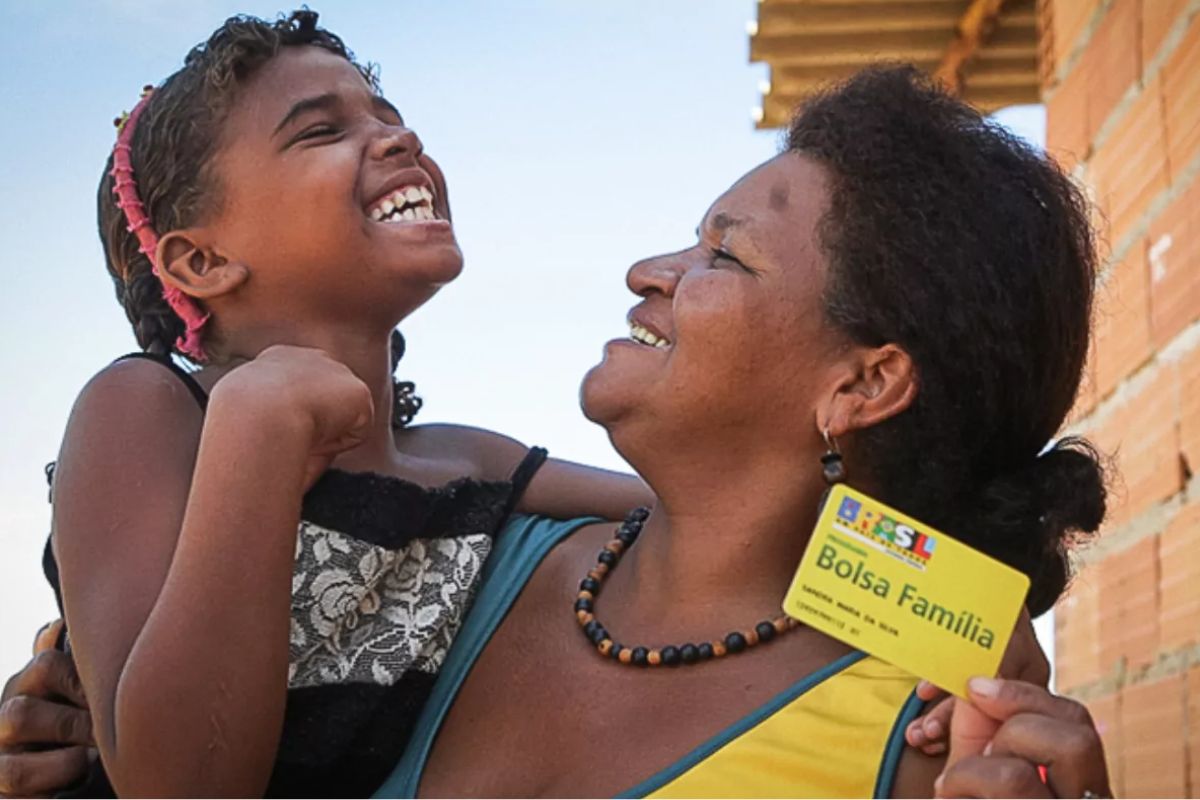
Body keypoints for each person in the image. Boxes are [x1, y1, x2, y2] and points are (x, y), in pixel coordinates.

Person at [0, 36, 1111, 800]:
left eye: (722, 252)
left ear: (863, 385)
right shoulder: (475, 557)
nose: (647, 269)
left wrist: (969, 617)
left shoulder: (919, 745)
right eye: (318, 127)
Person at [8, 10, 650, 798]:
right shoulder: (150, 409)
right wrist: (256, 437)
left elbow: (709, 518)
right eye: (320, 132)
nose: (400, 139)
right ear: (202, 259)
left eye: (391, 117)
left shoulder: (468, 462)